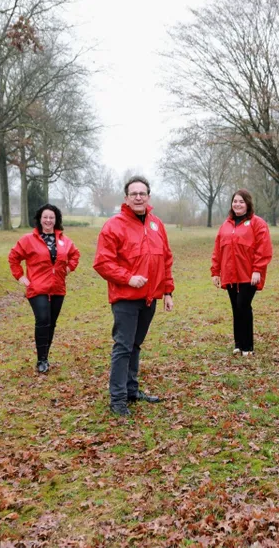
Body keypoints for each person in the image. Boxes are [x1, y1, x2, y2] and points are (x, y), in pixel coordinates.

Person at [93, 175, 175, 417]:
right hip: (125, 298)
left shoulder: (156, 225)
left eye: (142, 193)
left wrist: (168, 291)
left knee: (135, 345)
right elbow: (102, 262)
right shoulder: (114, 226)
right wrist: (128, 278)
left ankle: (131, 390)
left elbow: (166, 259)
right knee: (123, 347)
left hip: (150, 298)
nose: (138, 197)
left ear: (148, 197)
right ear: (126, 198)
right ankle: (117, 399)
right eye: (133, 193)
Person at [8, 204, 80, 374]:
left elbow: (75, 255)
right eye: (45, 217)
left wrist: (68, 269)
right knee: (43, 319)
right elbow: (13, 257)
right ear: (40, 219)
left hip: (57, 287)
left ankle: (45, 356)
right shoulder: (28, 239)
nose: (48, 220)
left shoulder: (64, 240)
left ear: (56, 220)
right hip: (37, 287)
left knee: (51, 323)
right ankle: (41, 360)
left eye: (51, 217)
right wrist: (20, 277)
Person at [210, 189, 273, 356]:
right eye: (235, 201)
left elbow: (263, 248)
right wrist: (215, 272)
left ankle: (248, 346)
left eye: (241, 202)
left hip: (248, 274)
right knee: (235, 308)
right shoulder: (226, 225)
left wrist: (257, 269)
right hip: (230, 275)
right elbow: (218, 249)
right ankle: (238, 344)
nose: (237, 204)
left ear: (247, 204)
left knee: (243, 306)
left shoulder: (257, 223)